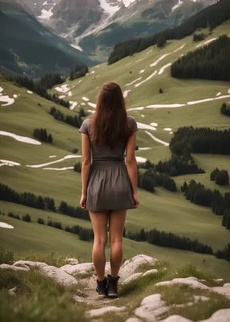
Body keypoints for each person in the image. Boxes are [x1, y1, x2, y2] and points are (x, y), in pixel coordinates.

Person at [79, 81, 140, 298]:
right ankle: (114, 284)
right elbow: (130, 160)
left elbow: (86, 161)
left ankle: (101, 284)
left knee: (99, 240)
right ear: (120, 100)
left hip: (96, 183)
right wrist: (134, 191)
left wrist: (84, 192)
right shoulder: (129, 124)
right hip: (119, 182)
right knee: (116, 239)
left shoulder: (88, 125)